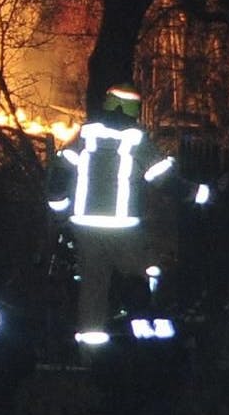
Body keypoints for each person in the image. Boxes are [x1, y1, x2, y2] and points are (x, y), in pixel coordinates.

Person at [45, 83, 178, 348]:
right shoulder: (137, 141)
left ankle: (91, 352)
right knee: (146, 273)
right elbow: (165, 180)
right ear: (133, 109)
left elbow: (58, 179)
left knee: (93, 288)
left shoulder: (84, 137)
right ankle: (146, 336)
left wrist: (60, 214)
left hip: (85, 227)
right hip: (124, 229)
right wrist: (199, 193)